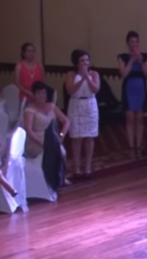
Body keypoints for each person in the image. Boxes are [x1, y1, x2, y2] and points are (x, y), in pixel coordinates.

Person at [65, 49, 100, 179]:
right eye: (82, 61)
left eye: (87, 60)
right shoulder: (70, 75)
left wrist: (87, 77)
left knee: (89, 137)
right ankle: (77, 168)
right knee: (76, 138)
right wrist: (81, 78)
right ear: (76, 63)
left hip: (90, 105)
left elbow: (95, 89)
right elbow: (70, 90)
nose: (85, 63)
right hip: (76, 105)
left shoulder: (94, 74)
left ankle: (88, 167)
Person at [118, 31, 147, 158]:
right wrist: (131, 61)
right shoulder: (122, 57)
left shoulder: (145, 56)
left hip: (140, 88)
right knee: (130, 118)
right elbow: (123, 74)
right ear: (127, 43)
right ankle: (132, 148)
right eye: (132, 42)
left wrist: (141, 62)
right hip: (129, 88)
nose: (134, 44)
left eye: (136, 41)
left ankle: (139, 145)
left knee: (140, 118)